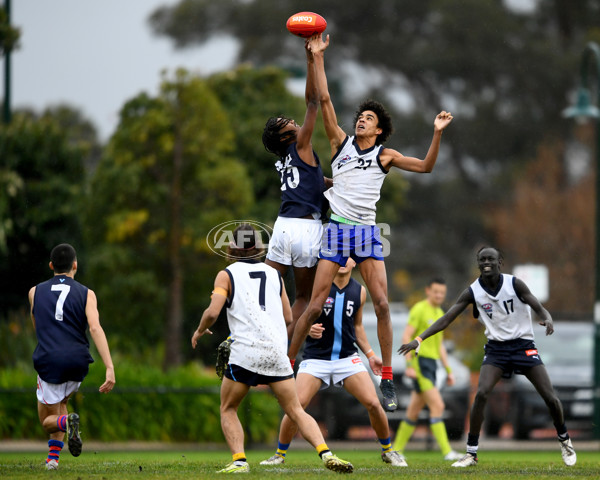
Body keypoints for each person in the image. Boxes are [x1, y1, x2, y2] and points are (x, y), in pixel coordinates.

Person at [288, 33, 454, 412]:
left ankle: (388, 377)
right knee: (314, 306)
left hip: (365, 234)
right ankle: (289, 363)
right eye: (360, 117)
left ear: (378, 129)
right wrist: (316, 58)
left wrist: (436, 133)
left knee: (380, 303)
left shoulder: (386, 155)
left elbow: (427, 167)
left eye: (369, 119)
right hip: (337, 229)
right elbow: (324, 99)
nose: (361, 121)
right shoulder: (339, 145)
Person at [191, 224, 353, 474]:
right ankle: (326, 453)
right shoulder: (273, 274)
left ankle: (239, 461)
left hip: (245, 353)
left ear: (231, 247)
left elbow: (213, 312)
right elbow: (289, 317)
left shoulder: (226, 274)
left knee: (228, 408)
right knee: (296, 410)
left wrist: (200, 330)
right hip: (276, 353)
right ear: (258, 247)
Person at [398, 246, 577, 467]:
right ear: (478, 263)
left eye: (490, 259)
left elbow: (539, 307)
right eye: (482, 259)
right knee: (481, 393)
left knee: (550, 397)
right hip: (496, 349)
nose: (486, 262)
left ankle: (564, 440)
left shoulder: (515, 284)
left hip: (523, 346)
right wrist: (419, 339)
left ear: (500, 262)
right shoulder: (473, 291)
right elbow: (447, 318)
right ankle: (471, 453)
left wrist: (548, 319)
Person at [261, 258, 407, 468]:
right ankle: (279, 454)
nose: (342, 260)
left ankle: (388, 451)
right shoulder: (318, 286)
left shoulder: (360, 292)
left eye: (347, 256)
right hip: (315, 359)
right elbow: (301, 318)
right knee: (297, 405)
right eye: (338, 255)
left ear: (354, 263)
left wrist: (370, 353)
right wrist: (309, 329)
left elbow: (357, 327)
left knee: (374, 403)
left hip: (347, 359)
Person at [262, 37, 329, 337]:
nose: (293, 121)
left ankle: (255, 336)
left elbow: (316, 184)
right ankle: (282, 345)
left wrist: (339, 184)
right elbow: (313, 101)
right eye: (286, 122)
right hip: (305, 229)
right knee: (303, 297)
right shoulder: (301, 144)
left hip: (282, 228)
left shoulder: (286, 160)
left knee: (262, 288)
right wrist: (311, 59)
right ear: (285, 136)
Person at [29, 243, 115, 470]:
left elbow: (37, 326)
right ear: (75, 265)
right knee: (62, 403)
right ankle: (53, 460)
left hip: (50, 361)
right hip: (78, 362)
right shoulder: (88, 293)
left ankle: (67, 422)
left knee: (48, 421)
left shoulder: (34, 292)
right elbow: (95, 328)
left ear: (51, 266)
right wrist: (109, 366)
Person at [392, 278, 462, 461]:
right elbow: (407, 336)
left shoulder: (439, 312)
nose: (439, 295)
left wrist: (448, 370)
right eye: (436, 292)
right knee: (437, 405)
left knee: (413, 411)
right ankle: (447, 452)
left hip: (432, 365)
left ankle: (396, 450)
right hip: (420, 364)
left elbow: (439, 347)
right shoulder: (419, 309)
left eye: (442, 293)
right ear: (428, 291)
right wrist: (409, 365)